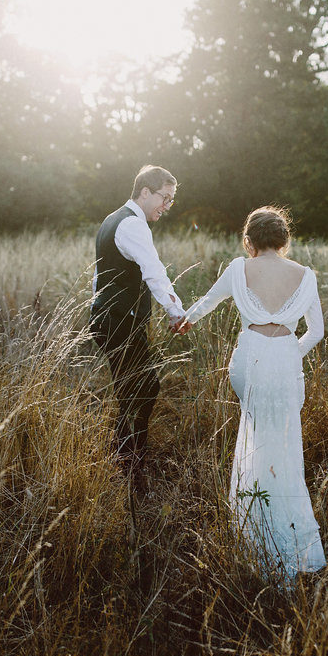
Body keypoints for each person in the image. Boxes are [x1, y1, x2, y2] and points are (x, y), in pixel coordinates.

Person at [176, 206, 326, 581]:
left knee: (256, 441)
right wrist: (290, 352)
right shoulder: (306, 276)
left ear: (249, 241)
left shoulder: (238, 269)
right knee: (285, 446)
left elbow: (206, 304)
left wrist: (183, 320)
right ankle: (289, 539)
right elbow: (317, 331)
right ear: (284, 240)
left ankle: (253, 534)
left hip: (250, 361)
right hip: (285, 362)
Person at [90, 165, 184, 484]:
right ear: (145, 192)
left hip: (107, 318)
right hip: (119, 322)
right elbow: (154, 272)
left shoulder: (111, 220)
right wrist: (176, 313)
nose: (167, 206)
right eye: (164, 198)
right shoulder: (133, 226)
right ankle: (131, 468)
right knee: (143, 389)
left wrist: (100, 306)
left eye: (171, 200)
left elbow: (98, 276)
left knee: (133, 389)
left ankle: (125, 459)